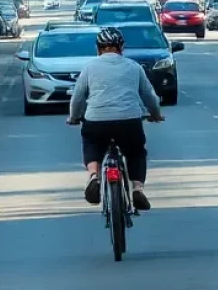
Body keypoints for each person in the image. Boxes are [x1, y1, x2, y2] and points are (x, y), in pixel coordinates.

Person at [67, 26, 164, 211]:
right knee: (135, 152)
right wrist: (156, 114)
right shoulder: (134, 67)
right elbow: (149, 95)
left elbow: (78, 97)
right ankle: (137, 189)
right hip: (129, 121)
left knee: (92, 144)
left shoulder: (89, 67)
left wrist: (74, 117)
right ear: (121, 47)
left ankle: (94, 176)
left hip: (96, 120)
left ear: (98, 48)